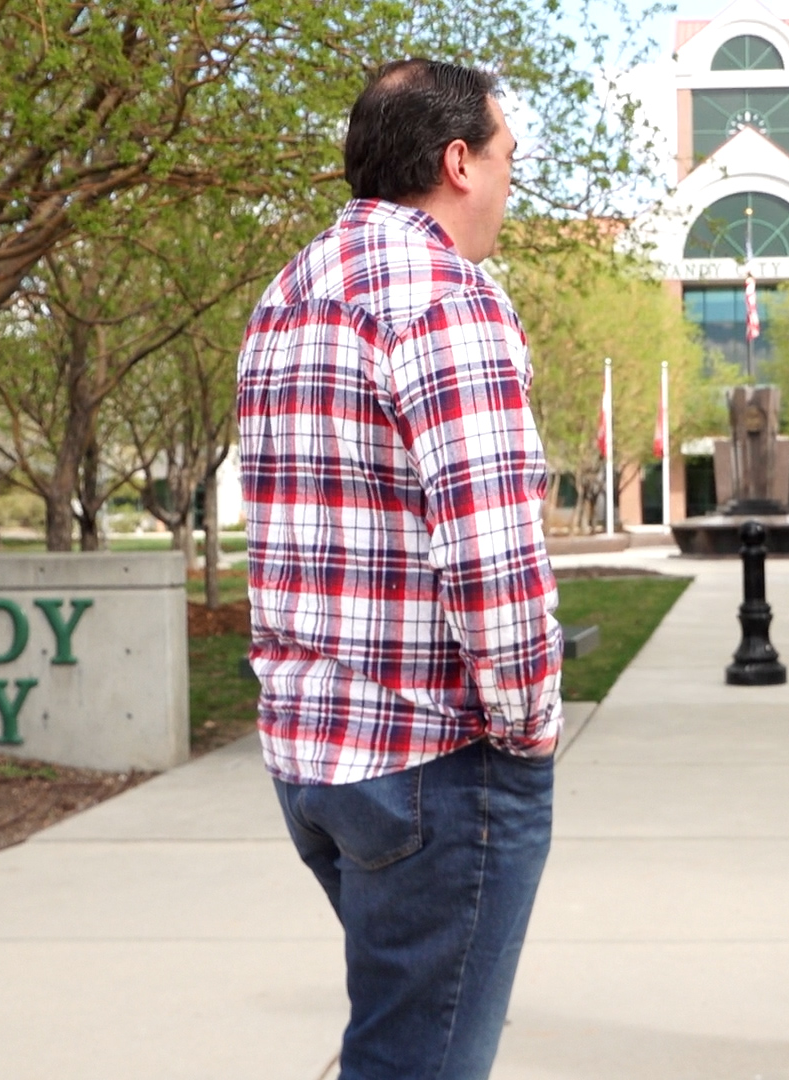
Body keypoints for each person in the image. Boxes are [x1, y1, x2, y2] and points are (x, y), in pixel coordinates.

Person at [235, 59, 562, 1080]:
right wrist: (529, 728)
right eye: (506, 157)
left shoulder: (286, 293)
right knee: (418, 1064)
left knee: (394, 1037)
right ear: (457, 161)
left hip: (314, 758)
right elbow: (492, 555)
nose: (511, 181)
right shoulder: (447, 298)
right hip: (435, 763)